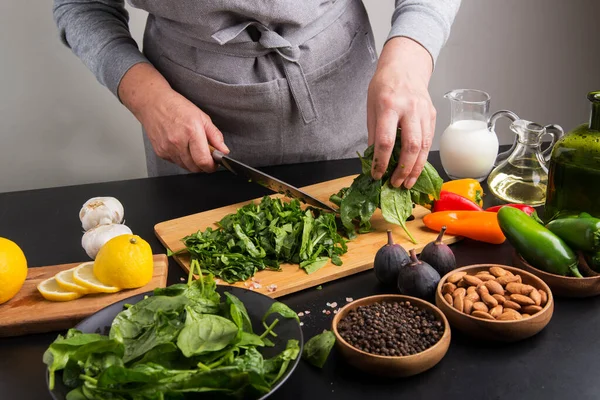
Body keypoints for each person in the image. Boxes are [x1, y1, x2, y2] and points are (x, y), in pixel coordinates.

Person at [53, 0, 460, 189]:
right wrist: (148, 99)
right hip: (191, 122)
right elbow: (81, 4)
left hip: (339, 96)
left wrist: (408, 61)